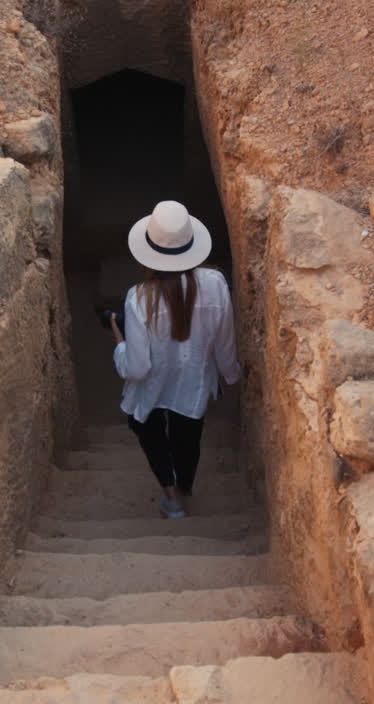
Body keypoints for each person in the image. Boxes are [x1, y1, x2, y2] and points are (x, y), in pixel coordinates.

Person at [109, 200, 242, 519]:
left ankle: (172, 498)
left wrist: (119, 342)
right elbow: (225, 342)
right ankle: (183, 487)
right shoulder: (216, 284)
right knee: (188, 437)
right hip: (194, 383)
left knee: (147, 428)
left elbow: (138, 368)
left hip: (153, 386)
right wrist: (231, 374)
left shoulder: (139, 298)